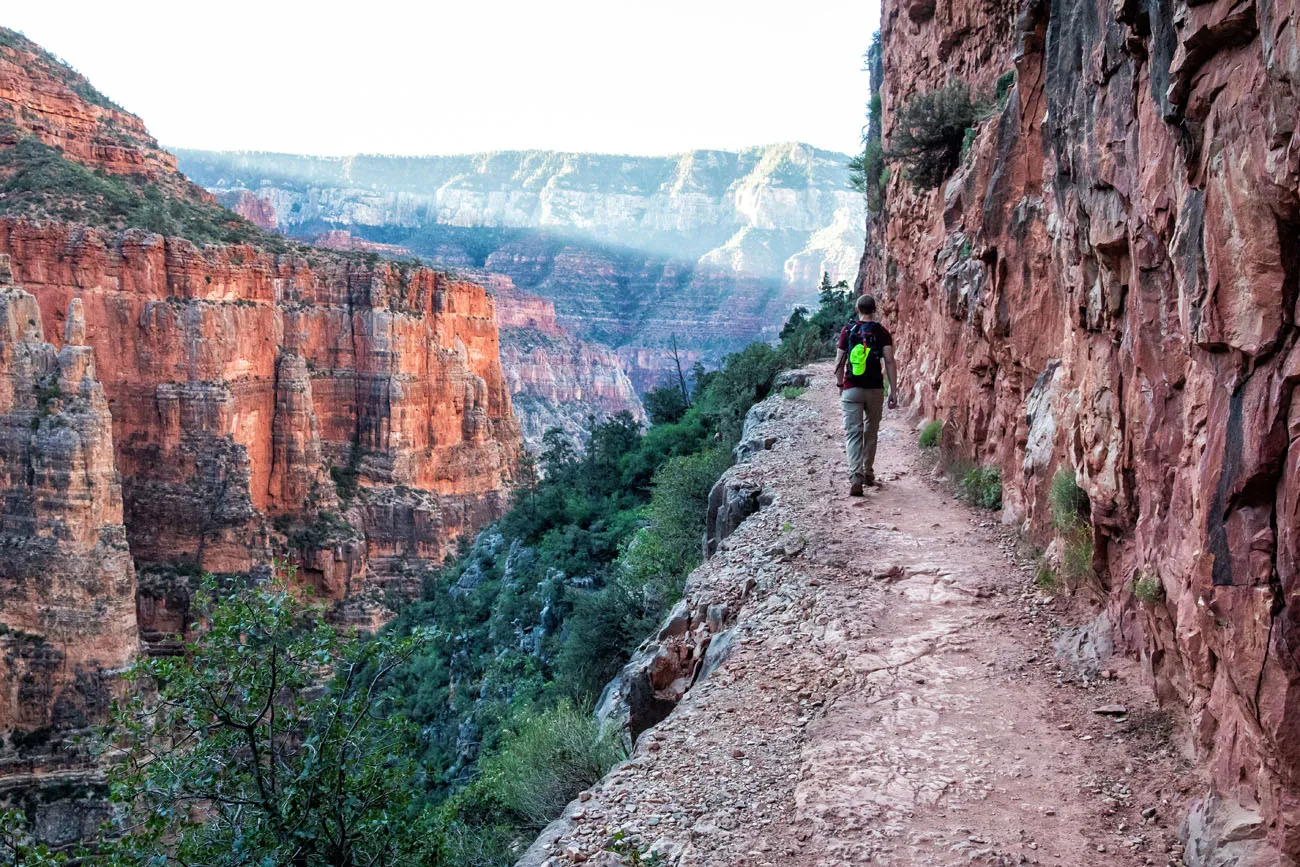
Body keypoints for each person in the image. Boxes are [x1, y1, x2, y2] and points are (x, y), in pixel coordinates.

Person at [834, 294, 897, 496]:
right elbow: (889, 361)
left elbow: (839, 362)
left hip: (852, 388)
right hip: (875, 388)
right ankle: (868, 472)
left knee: (853, 432)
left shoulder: (848, 330)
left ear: (857, 309)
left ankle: (855, 476)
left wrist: (840, 384)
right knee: (871, 431)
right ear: (874, 309)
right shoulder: (882, 332)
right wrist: (893, 390)